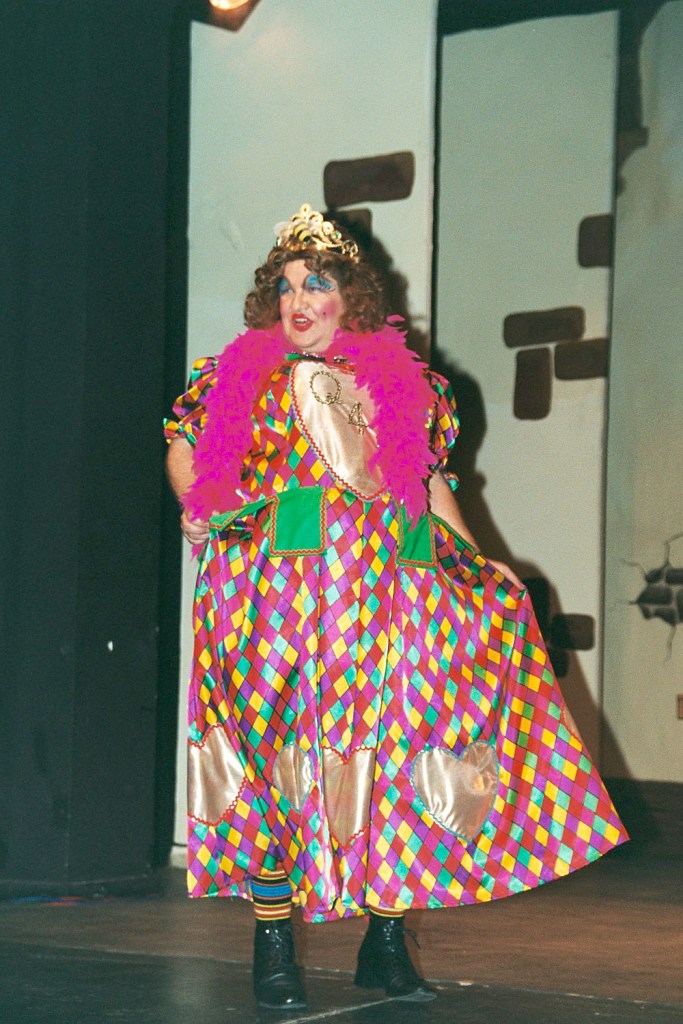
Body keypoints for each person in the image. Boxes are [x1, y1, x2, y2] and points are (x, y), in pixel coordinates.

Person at [165, 203, 627, 1011]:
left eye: (316, 283)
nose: (298, 299)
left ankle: (384, 940)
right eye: (285, 286)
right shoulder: (238, 376)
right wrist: (198, 503)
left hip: (392, 588)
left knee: (399, 748)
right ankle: (273, 945)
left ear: (353, 297)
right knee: (273, 754)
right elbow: (186, 447)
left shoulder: (410, 385)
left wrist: (477, 560)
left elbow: (428, 482)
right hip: (274, 594)